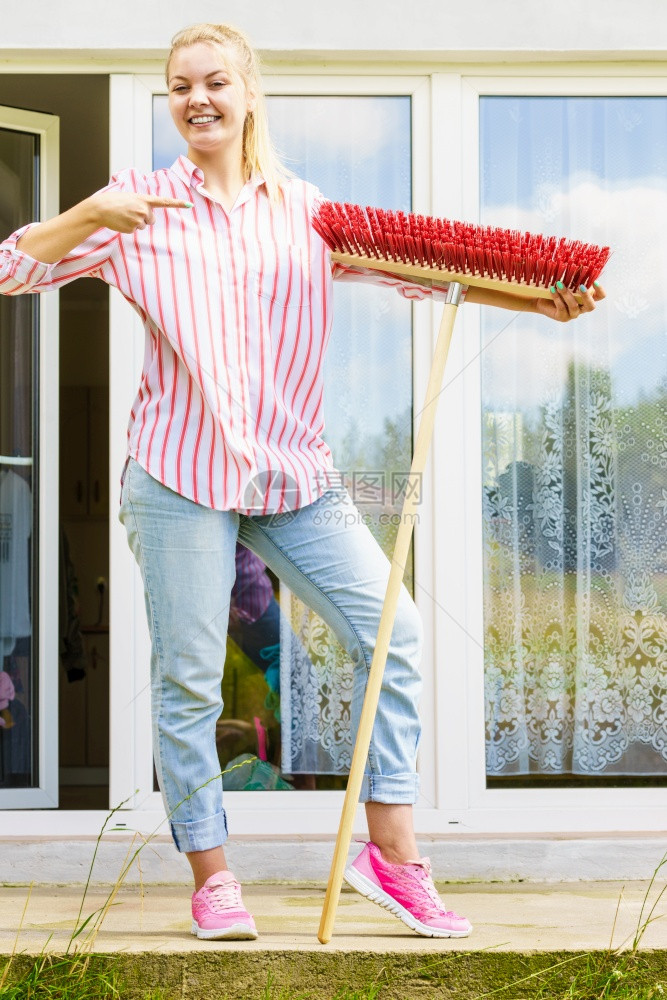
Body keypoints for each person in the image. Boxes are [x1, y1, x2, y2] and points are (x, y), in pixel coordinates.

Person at [0, 22, 605, 942]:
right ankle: (213, 876)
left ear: (249, 93)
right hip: (178, 475)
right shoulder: (138, 208)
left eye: (213, 81)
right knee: (190, 681)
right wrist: (88, 215)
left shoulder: (304, 209)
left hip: (295, 474)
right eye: (178, 86)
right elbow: (11, 269)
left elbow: (421, 272)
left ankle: (392, 859)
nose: (195, 98)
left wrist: (536, 301)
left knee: (394, 635)